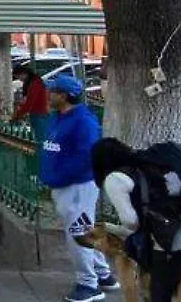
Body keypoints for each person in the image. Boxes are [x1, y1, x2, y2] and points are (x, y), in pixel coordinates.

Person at [95, 138, 181, 302]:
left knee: (158, 296)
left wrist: (110, 228)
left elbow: (131, 222)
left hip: (176, 243)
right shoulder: (149, 166)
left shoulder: (116, 178)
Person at [41, 74, 118, 302]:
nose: (49, 95)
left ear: (65, 96)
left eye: (53, 91)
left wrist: (61, 176)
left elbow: (88, 155)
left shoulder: (83, 121)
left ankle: (88, 284)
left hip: (77, 185)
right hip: (63, 184)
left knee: (78, 233)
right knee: (84, 229)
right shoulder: (58, 117)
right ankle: (103, 275)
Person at [14, 65, 52, 139]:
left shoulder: (35, 83)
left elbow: (29, 103)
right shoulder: (30, 83)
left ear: (24, 74)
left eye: (19, 77)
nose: (19, 80)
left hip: (40, 114)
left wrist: (17, 115)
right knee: (38, 137)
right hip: (36, 113)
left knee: (40, 138)